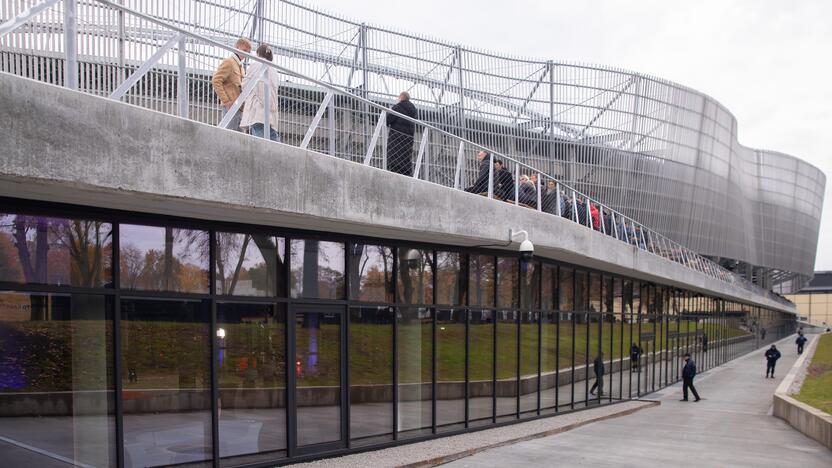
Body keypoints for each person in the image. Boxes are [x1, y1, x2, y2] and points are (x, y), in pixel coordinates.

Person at [240, 44, 280, 141]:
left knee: (259, 140)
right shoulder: (274, 71)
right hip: (271, 111)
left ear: (258, 54)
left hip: (258, 108)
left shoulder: (255, 65)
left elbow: (245, 84)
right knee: (272, 138)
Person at [212, 38, 252, 132]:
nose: (246, 54)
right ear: (236, 47)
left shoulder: (240, 67)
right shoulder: (229, 62)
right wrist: (226, 101)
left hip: (239, 107)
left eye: (248, 52)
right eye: (244, 51)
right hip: (232, 105)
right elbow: (216, 80)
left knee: (237, 136)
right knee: (229, 134)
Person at [386, 91, 417, 176]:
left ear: (401, 97)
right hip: (408, 140)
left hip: (396, 138)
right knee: (405, 158)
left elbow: (387, 120)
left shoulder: (398, 107)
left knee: (394, 157)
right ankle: (406, 174)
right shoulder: (413, 110)